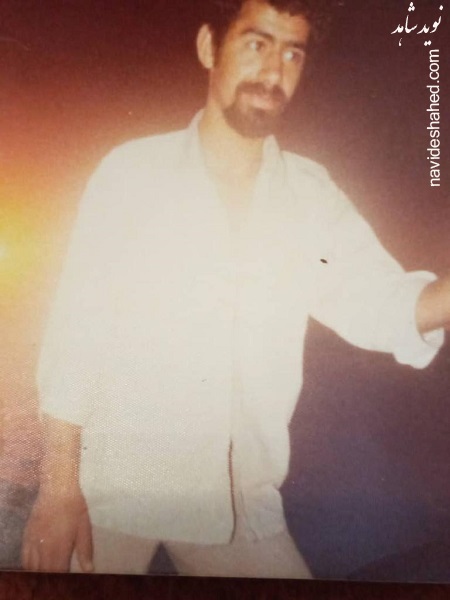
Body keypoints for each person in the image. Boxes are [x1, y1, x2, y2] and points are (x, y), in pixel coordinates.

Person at [22, 0, 449, 578]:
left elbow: (381, 303)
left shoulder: (310, 194)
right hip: (114, 493)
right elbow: (75, 337)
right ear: (209, 48)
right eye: (256, 44)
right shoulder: (132, 173)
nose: (273, 72)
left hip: (237, 501)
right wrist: (57, 490)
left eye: (292, 53)